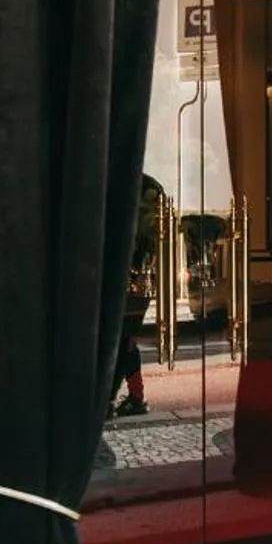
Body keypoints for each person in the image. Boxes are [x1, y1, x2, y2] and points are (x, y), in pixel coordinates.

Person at [112, 175, 165, 418]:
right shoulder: (151, 187)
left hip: (126, 279)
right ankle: (134, 396)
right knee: (127, 341)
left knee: (120, 341)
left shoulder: (129, 189)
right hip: (141, 280)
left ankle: (115, 397)